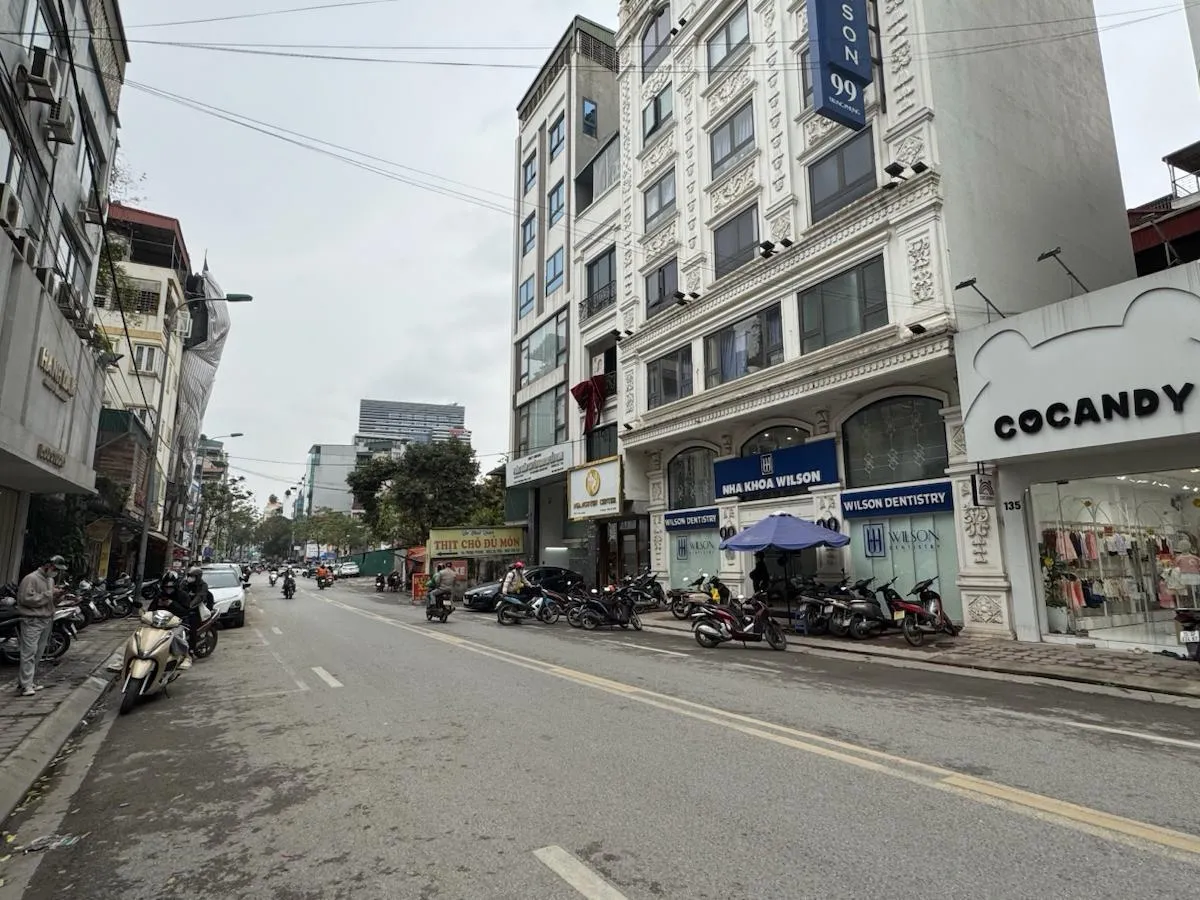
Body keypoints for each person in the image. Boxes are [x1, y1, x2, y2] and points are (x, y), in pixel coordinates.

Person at [14, 555, 67, 696]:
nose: (56, 572)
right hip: (32, 620)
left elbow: (50, 601)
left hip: (46, 619)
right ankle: (26, 685)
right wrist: (50, 594)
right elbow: (26, 599)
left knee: (38, 653)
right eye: (55, 569)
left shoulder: (50, 580)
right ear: (47, 565)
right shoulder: (30, 579)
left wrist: (58, 596)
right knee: (29, 652)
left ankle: (27, 681)